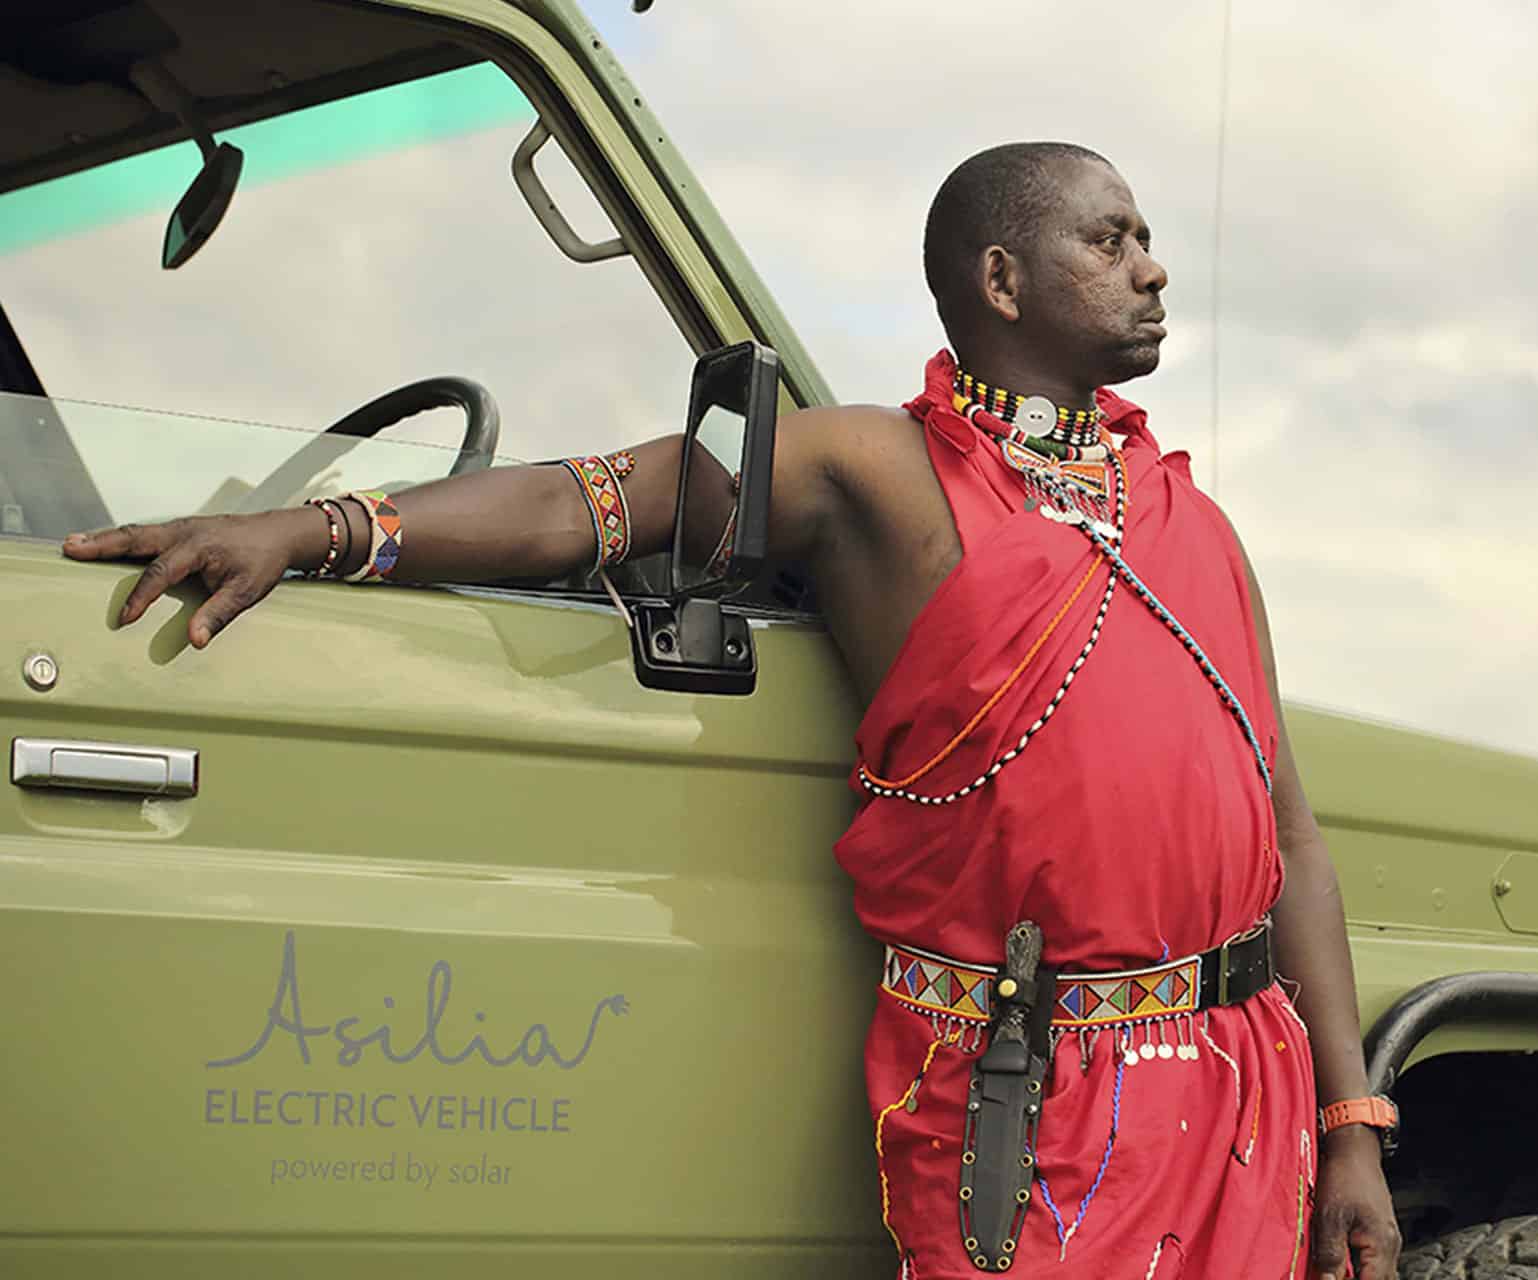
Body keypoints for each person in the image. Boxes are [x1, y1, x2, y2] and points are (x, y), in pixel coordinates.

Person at [64, 142, 1401, 1279]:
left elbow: (1293, 837)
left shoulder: (1195, 520)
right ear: (1000, 280)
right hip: (1030, 1095)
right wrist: (314, 527)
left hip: (1245, 1093)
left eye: (1149, 241)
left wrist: (1351, 1122)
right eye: (1111, 241)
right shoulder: (872, 466)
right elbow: (588, 503)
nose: (1153, 268)